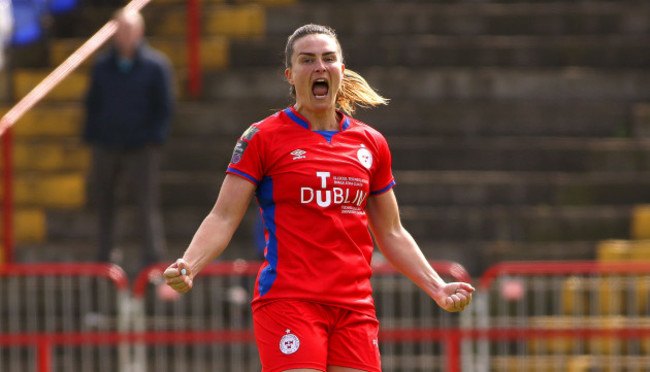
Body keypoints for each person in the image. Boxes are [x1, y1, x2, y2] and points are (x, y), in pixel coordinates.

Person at [164, 24, 474, 372]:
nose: (319, 68)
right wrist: (190, 263)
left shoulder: (371, 143)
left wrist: (438, 288)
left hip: (354, 307)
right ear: (290, 75)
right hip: (289, 301)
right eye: (307, 60)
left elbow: (391, 232)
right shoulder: (261, 137)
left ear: (341, 70)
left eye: (328, 59)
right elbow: (223, 217)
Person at [83, 9, 174, 274]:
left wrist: (153, 138)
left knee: (146, 205)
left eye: (128, 30)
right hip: (106, 145)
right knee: (104, 203)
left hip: (141, 146)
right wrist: (94, 136)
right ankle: (103, 260)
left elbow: (164, 107)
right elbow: (93, 104)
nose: (123, 36)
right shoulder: (101, 66)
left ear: (139, 32)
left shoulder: (156, 66)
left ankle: (152, 262)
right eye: (119, 30)